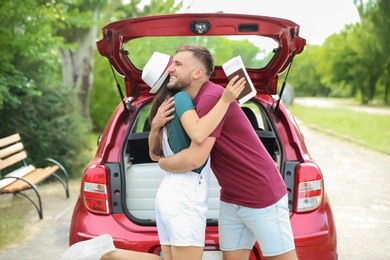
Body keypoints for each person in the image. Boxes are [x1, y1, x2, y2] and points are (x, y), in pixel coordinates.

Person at [61, 52, 245, 260]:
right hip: (186, 199)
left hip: (168, 196)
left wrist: (155, 127)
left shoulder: (161, 106)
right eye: (173, 66)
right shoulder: (182, 99)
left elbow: (154, 154)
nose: (174, 69)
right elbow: (198, 132)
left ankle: (109, 253)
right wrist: (226, 100)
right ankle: (109, 253)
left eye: (177, 65)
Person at [153, 44, 298, 260]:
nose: (170, 69)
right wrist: (155, 127)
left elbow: (197, 145)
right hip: (231, 198)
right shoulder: (191, 102)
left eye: (178, 64)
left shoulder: (211, 97)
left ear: (198, 73)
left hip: (261, 195)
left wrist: (162, 163)